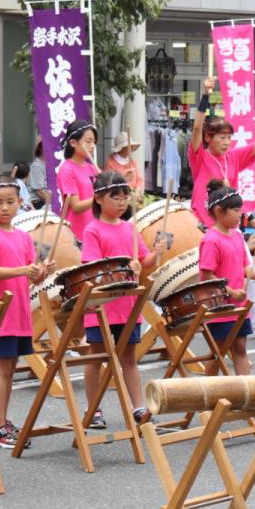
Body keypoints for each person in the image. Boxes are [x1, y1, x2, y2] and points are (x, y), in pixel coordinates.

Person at [81, 171, 163, 427]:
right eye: (114, 197)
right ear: (98, 199)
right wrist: (127, 268)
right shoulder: (93, 230)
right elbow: (92, 269)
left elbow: (145, 261)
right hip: (102, 306)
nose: (121, 202)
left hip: (128, 306)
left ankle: (138, 407)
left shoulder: (130, 228)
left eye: (124, 196)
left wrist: (157, 253)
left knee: (129, 358)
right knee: (96, 357)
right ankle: (93, 409)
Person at [0, 179, 52, 447]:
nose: (5, 207)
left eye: (10, 202)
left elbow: (31, 277)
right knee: (2, 367)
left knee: (11, 367)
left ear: (20, 202)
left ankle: (2, 421)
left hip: (20, 309)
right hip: (1, 312)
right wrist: (24, 269)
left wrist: (43, 272)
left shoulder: (23, 237)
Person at [190, 75, 255, 227]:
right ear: (207, 137)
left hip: (228, 223)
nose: (227, 142)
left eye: (229, 137)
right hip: (203, 224)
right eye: (222, 137)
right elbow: (197, 128)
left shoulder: (233, 156)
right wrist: (205, 95)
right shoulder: (200, 156)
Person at [199, 179, 255, 376]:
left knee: (240, 349)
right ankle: (208, 391)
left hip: (238, 304)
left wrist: (254, 273)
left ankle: (246, 391)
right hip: (219, 304)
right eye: (235, 210)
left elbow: (244, 266)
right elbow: (207, 276)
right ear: (219, 211)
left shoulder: (236, 236)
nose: (240, 214)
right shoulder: (211, 240)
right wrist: (230, 292)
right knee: (218, 352)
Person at [57, 119, 101, 245]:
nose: (93, 146)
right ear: (73, 143)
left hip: (94, 228)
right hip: (76, 232)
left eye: (94, 142)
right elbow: (76, 206)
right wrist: (100, 196)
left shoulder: (92, 168)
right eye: (88, 141)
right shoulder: (67, 169)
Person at [27, 140, 50, 210]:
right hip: (37, 201)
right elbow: (39, 191)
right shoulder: (36, 166)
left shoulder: (50, 164)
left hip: (47, 198)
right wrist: (55, 204)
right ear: (40, 149)